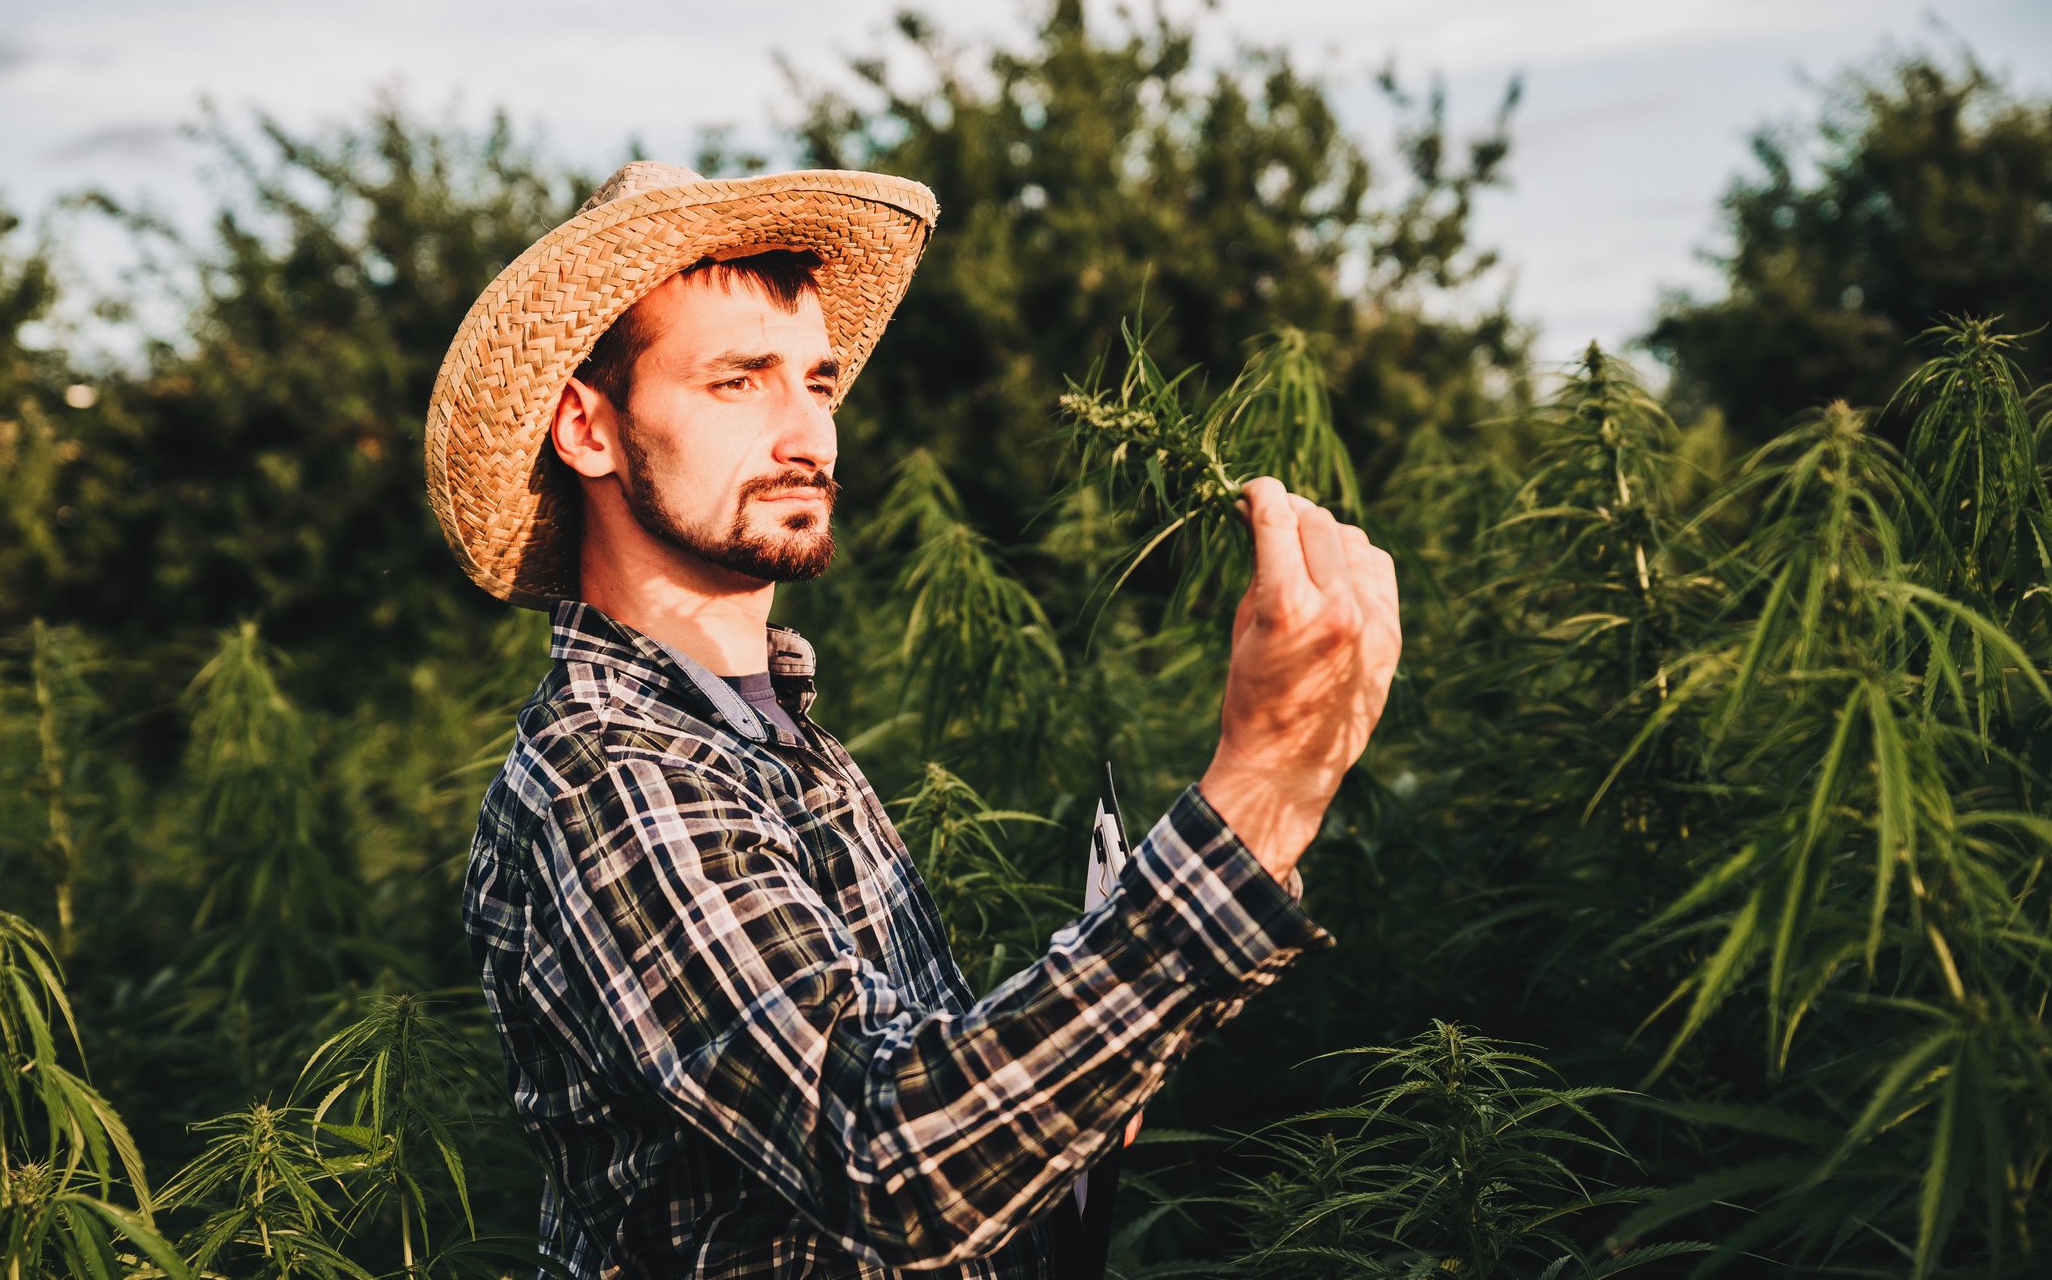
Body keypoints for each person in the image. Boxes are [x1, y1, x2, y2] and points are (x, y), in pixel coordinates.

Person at [425, 161, 1401, 1278]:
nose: (808, 437)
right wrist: (1266, 784)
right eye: (739, 382)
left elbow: (920, 1109)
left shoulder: (778, 739)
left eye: (820, 382)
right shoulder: (612, 774)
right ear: (588, 430)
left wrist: (1067, 1098)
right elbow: (891, 1159)